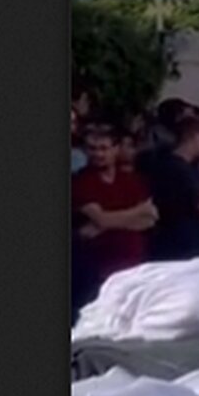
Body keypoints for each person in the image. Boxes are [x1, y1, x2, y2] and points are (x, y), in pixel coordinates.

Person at [73, 124, 157, 290]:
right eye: (92, 149)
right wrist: (138, 212)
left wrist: (106, 224)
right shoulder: (80, 182)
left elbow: (150, 219)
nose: (98, 154)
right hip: (97, 270)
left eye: (104, 148)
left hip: (134, 266)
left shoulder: (131, 180)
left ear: (116, 149)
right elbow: (103, 219)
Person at [146, 117, 199, 261]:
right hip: (187, 244)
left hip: (172, 240)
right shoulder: (183, 171)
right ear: (194, 136)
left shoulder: (166, 164)